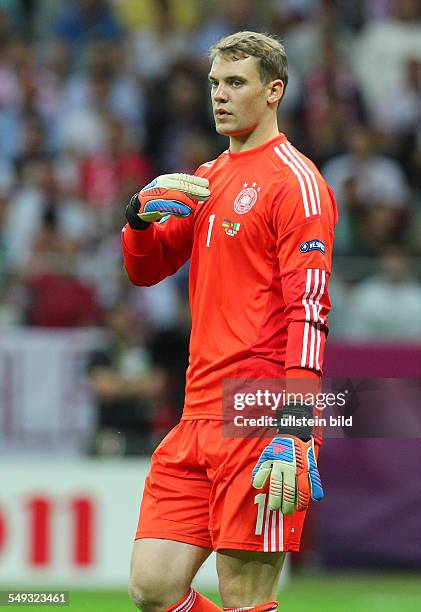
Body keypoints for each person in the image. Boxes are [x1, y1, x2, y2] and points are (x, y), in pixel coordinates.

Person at [122, 31, 337, 612]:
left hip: (259, 413)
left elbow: (309, 310)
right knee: (153, 586)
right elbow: (147, 269)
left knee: (246, 596)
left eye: (235, 83)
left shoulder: (298, 184)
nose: (219, 95)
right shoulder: (208, 177)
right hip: (196, 413)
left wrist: (296, 428)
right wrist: (137, 221)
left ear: (274, 92)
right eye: (215, 82)